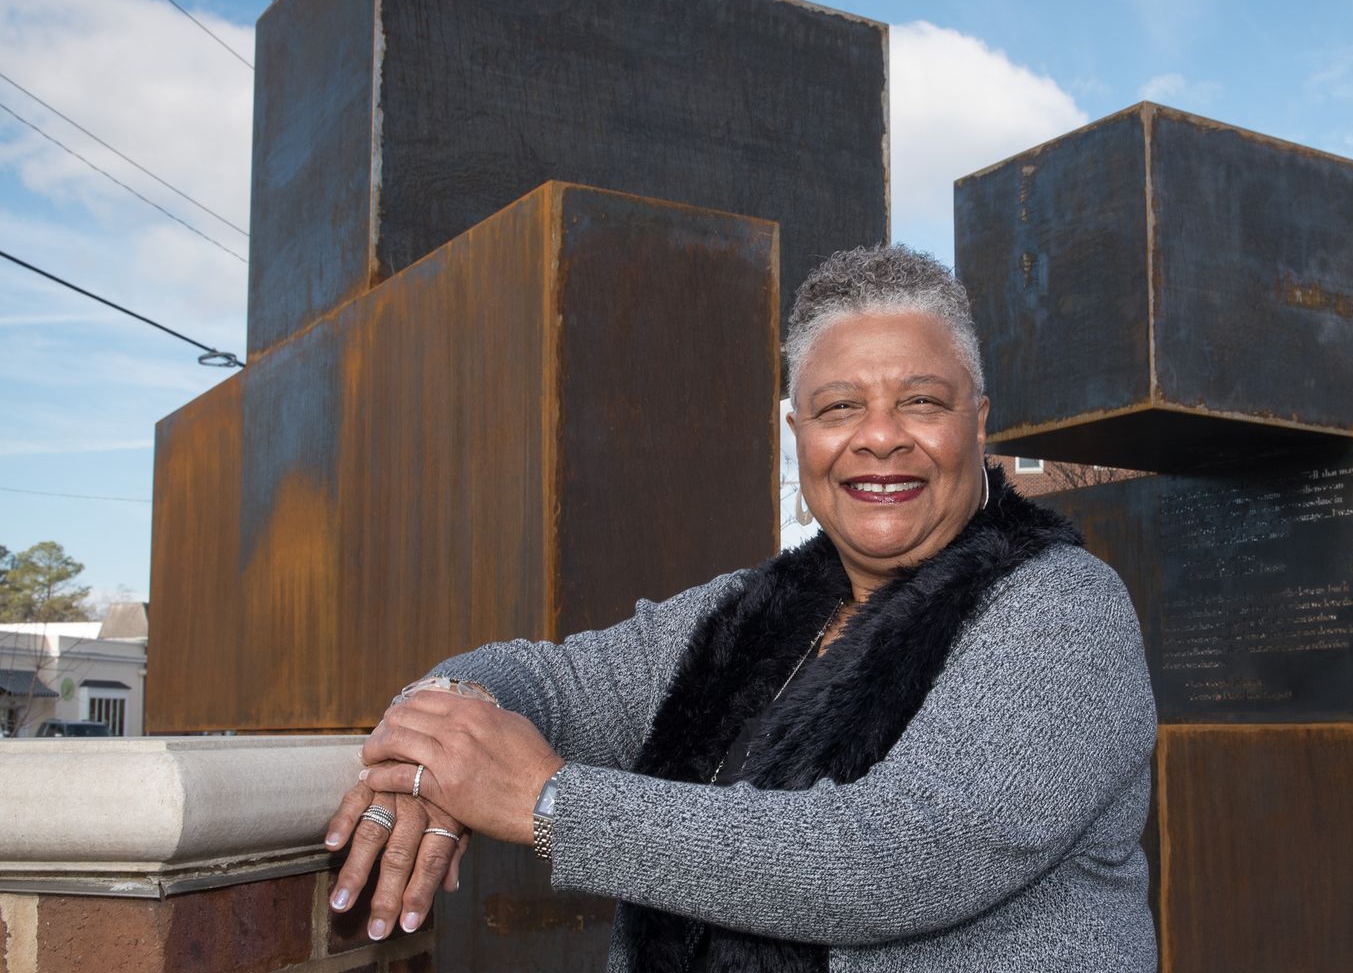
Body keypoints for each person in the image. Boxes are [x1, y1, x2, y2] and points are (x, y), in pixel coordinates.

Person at [322, 244, 1159, 971]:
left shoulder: (1062, 608)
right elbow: (552, 681)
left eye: (921, 401)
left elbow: (902, 857)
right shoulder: (747, 613)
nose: (880, 437)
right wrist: (442, 730)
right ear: (800, 436)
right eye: (840, 407)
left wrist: (549, 803)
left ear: (977, 424)